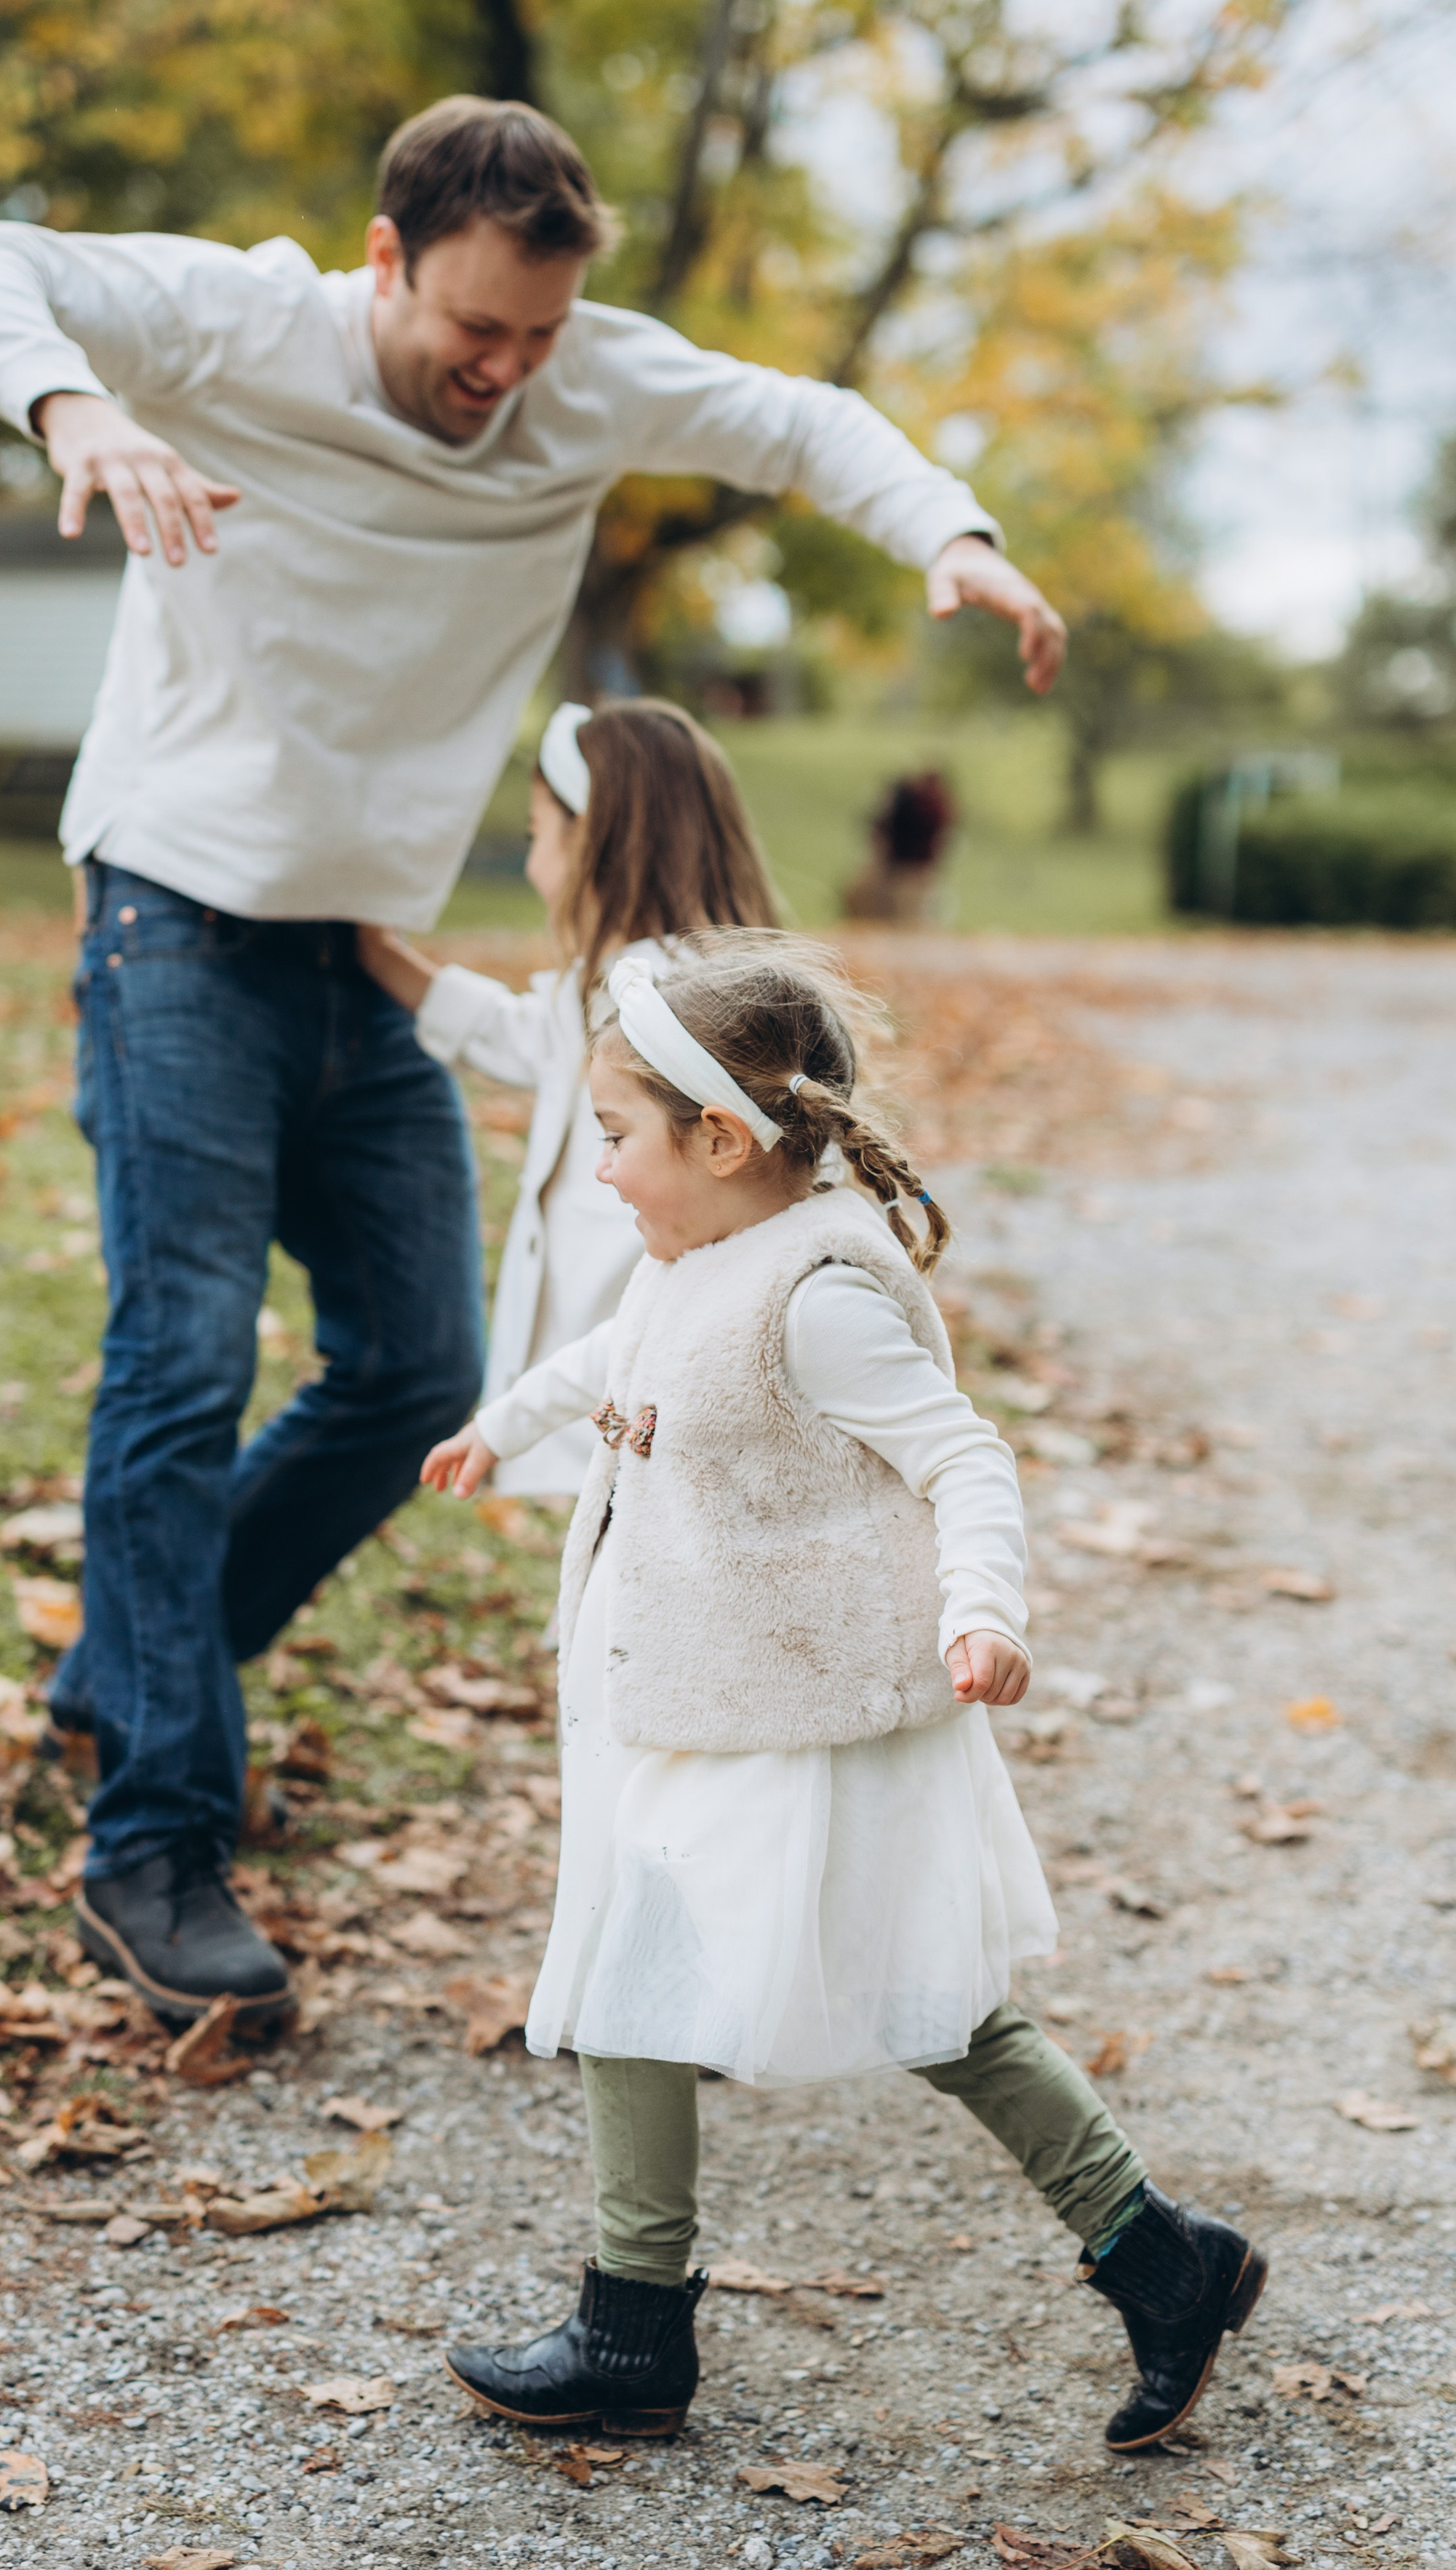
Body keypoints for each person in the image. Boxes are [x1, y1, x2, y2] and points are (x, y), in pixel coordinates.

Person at [0, 95, 1067, 2035]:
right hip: (170, 909)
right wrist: (74, 412)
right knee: (180, 1360)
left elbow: (799, 423)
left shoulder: (583, 378)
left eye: (537, 339)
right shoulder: (241, 325)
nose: (505, 379)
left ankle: (136, 1669)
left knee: (419, 1373)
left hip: (360, 949)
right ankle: (155, 1839)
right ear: (381, 261)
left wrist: (947, 527)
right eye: (468, 336)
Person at [420, 934, 1267, 2453]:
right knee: (646, 1975)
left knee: (924, 2003)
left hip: (806, 1720)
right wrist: (505, 1420)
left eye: (616, 1137)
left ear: (724, 1140)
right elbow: (621, 1348)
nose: (599, 1170)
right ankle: (640, 2324)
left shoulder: (814, 1296)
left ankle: (1151, 2255)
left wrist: (980, 1612)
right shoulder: (697, 1257)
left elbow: (961, 1456)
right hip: (706, 1694)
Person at [357, 695, 778, 1496]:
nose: (528, 863)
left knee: (642, 1546)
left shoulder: (662, 1000)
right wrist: (382, 957)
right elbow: (520, 1034)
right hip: (629, 1367)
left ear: (595, 840)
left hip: (660, 1352)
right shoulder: (633, 986)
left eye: (535, 834)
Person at [841, 766, 956, 922]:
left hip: (911, 869)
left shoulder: (926, 807)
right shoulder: (923, 805)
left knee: (907, 918)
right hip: (899, 867)